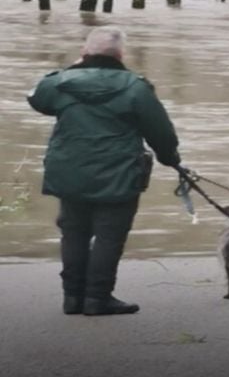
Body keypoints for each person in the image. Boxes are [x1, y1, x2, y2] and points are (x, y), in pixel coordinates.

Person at [27, 26, 183, 316]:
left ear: (85, 53)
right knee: (109, 236)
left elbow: (38, 99)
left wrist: (70, 68)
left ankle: (72, 298)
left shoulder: (61, 82)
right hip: (119, 174)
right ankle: (97, 299)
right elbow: (161, 131)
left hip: (69, 171)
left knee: (73, 233)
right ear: (121, 54)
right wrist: (170, 158)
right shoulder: (135, 87)